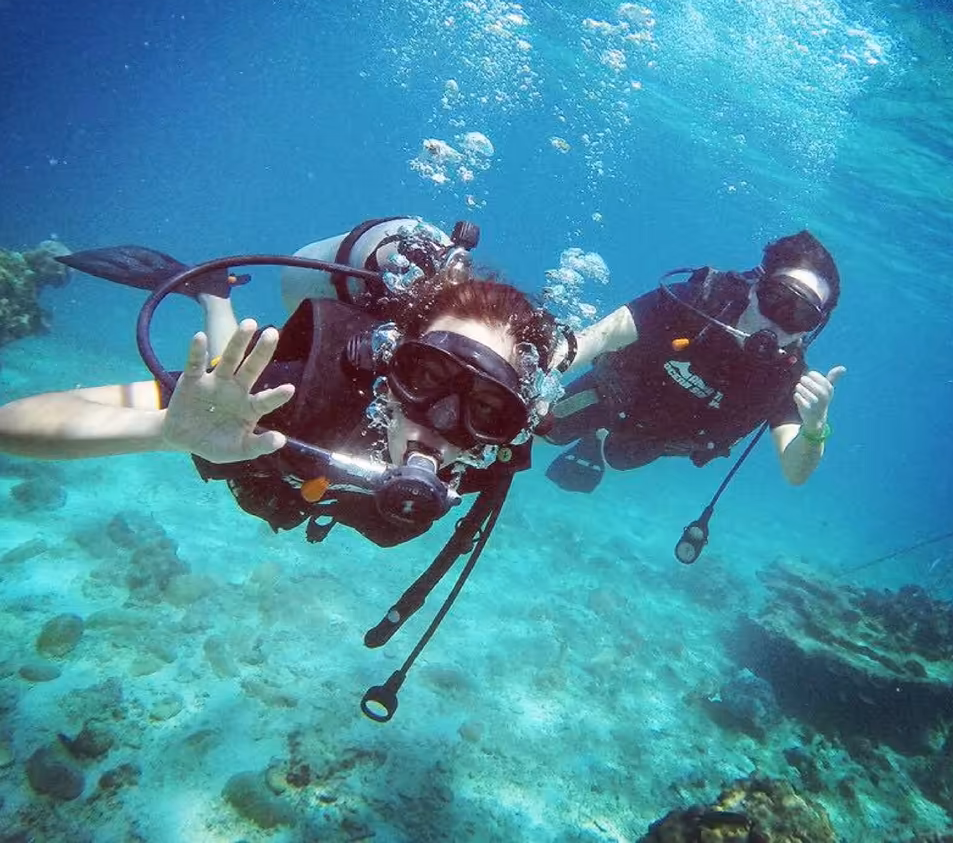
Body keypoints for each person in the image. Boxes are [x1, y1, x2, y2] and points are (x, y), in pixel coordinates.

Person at [0, 218, 563, 718]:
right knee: (237, 389)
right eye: (426, 374)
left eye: (487, 409)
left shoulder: (489, 460)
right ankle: (214, 295)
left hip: (291, 479)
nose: (438, 422)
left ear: (510, 425)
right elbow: (13, 422)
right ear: (389, 361)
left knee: (241, 406)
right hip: (266, 454)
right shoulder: (305, 389)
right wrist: (163, 432)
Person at [544, 230, 845, 494]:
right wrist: (532, 371)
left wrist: (815, 425)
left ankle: (598, 442)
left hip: (658, 438)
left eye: (801, 316)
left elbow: (795, 473)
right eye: (776, 299)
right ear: (755, 287)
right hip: (607, 395)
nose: (778, 323)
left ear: (811, 329)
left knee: (621, 458)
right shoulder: (692, 303)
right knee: (536, 431)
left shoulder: (786, 377)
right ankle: (590, 433)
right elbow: (596, 338)